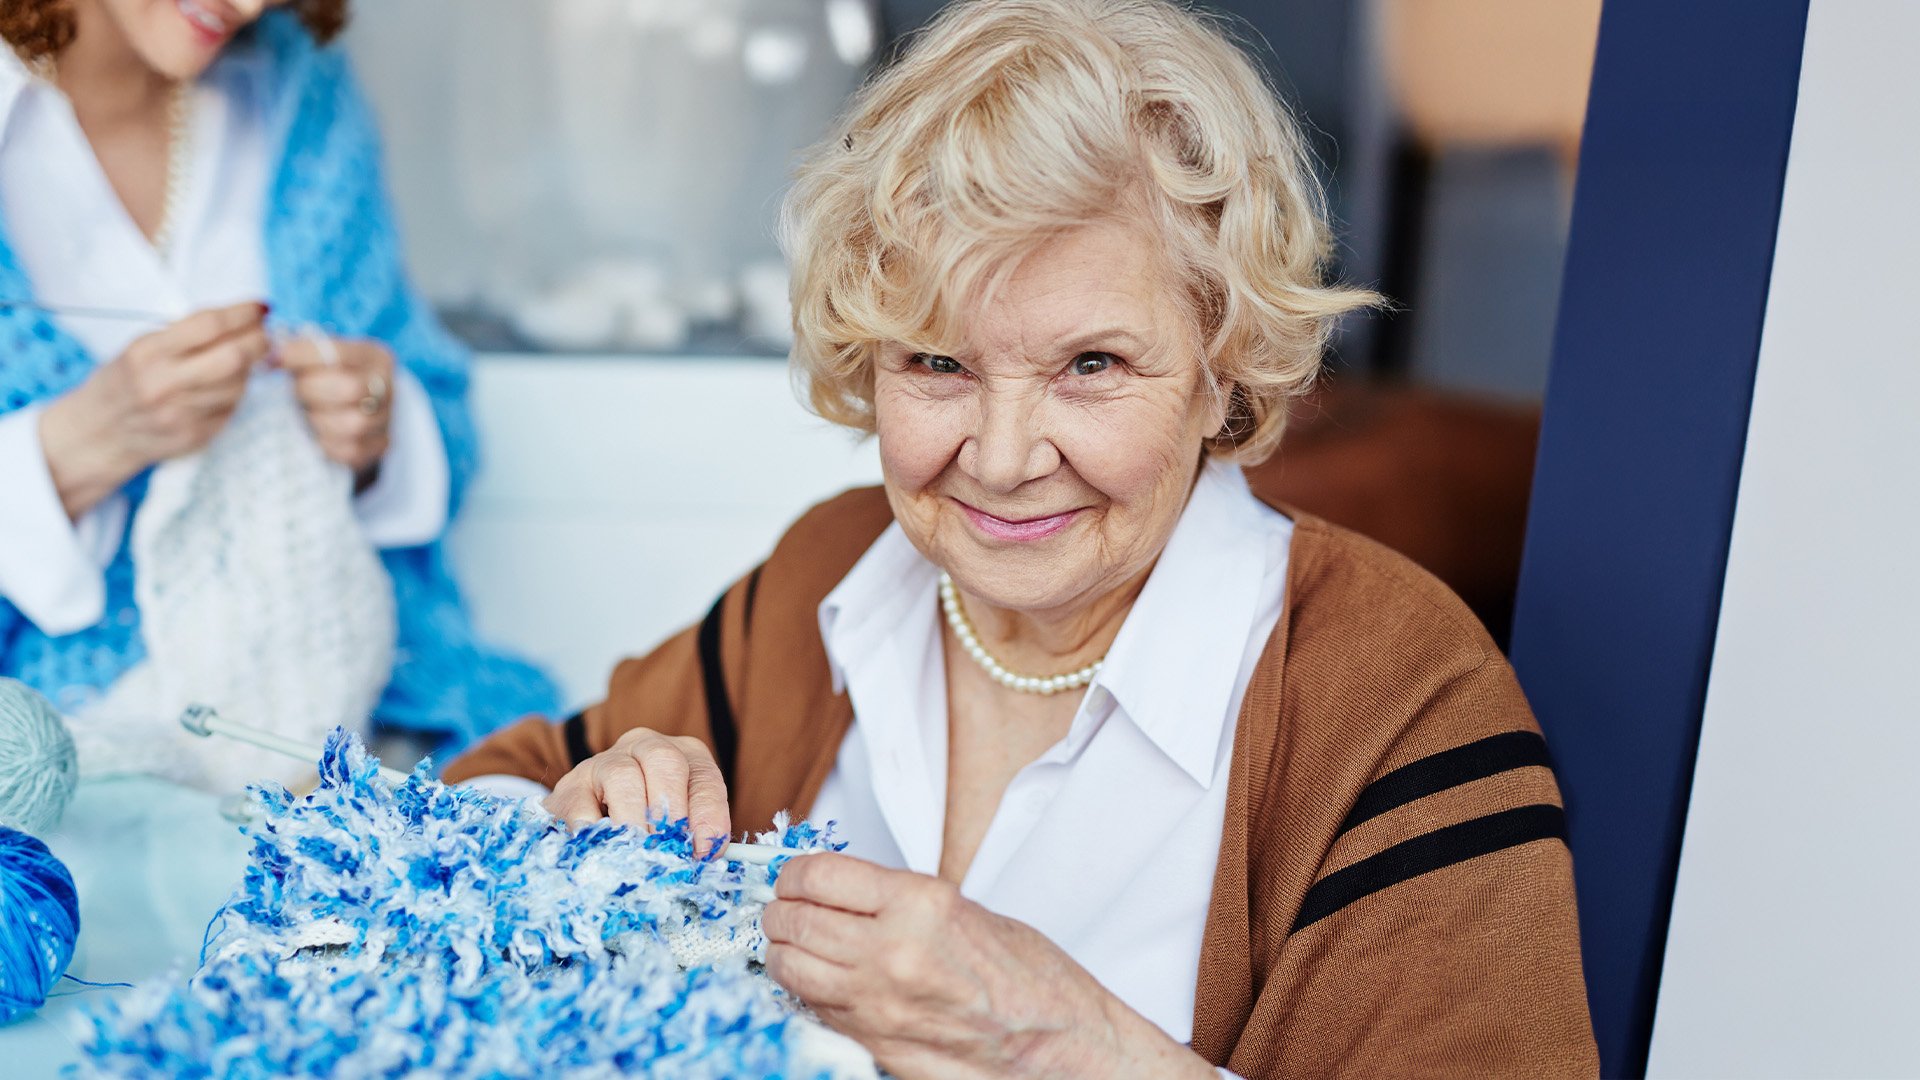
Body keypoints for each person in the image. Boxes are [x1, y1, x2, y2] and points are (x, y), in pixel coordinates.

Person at [446, 0, 1600, 1074]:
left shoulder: (1400, 694)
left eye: (1090, 365)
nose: (1000, 460)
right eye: (938, 363)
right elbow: (477, 809)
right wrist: (581, 821)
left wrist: (1065, 1041)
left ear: (1222, 370)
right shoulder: (833, 574)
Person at [0, 0, 556, 786]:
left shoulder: (299, 85)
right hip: (52, 758)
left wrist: (373, 428)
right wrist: (82, 446)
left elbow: (443, 419)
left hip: (348, 721)